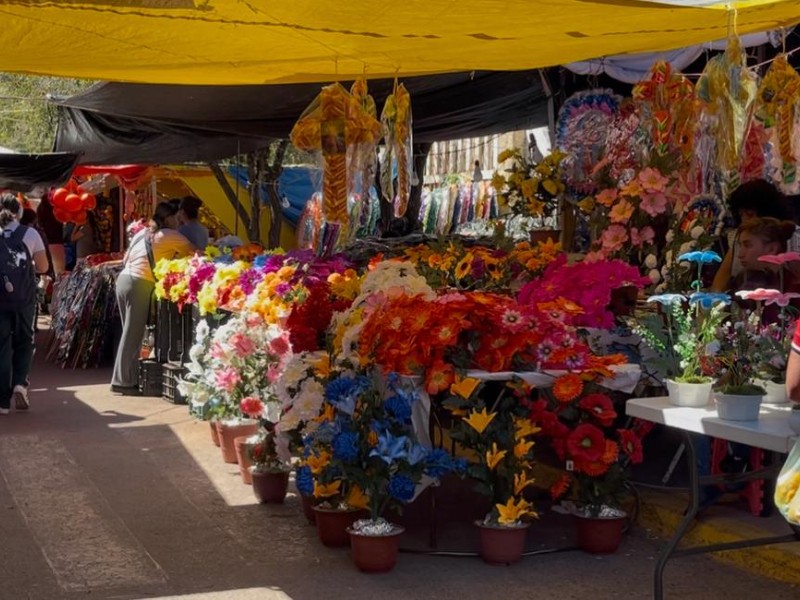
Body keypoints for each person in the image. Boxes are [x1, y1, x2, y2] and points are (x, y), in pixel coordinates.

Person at [111, 202, 196, 395]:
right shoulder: (170, 235)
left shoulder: (143, 232)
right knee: (133, 334)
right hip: (139, 284)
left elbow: (126, 258)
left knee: (129, 333)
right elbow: (196, 253)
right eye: (176, 219)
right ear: (168, 218)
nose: (179, 223)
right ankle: (122, 382)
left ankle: (126, 378)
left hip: (124, 280)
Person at [0, 193, 49, 414]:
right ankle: (20, 383)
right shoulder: (30, 233)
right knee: (24, 341)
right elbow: (43, 267)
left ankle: (2, 401)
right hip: (24, 298)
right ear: (19, 212)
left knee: (1, 346)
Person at [712, 180, 798, 292]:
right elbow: (721, 281)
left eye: (750, 214)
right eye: (741, 215)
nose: (744, 220)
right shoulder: (737, 237)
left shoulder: (793, 238)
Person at [36, 191, 66, 276]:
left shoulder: (40, 208)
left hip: (45, 242)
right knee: (60, 273)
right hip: (57, 241)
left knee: (50, 272)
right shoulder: (55, 208)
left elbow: (39, 223)